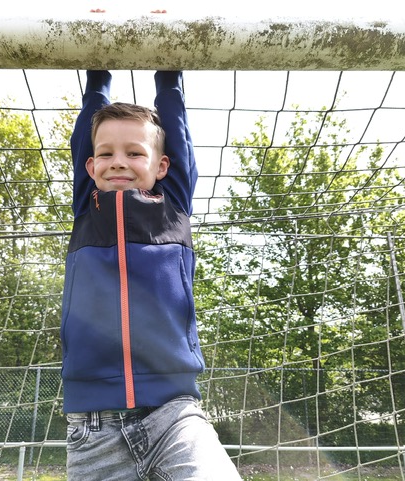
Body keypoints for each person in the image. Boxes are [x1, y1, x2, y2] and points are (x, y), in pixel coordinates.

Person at [60, 70, 242, 480]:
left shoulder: (172, 207)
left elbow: (177, 137)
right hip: (93, 426)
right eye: (105, 154)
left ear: (161, 166)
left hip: (173, 413)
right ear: (91, 166)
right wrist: (97, 79)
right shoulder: (88, 212)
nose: (118, 161)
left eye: (134, 153)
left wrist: (168, 78)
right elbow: (81, 144)